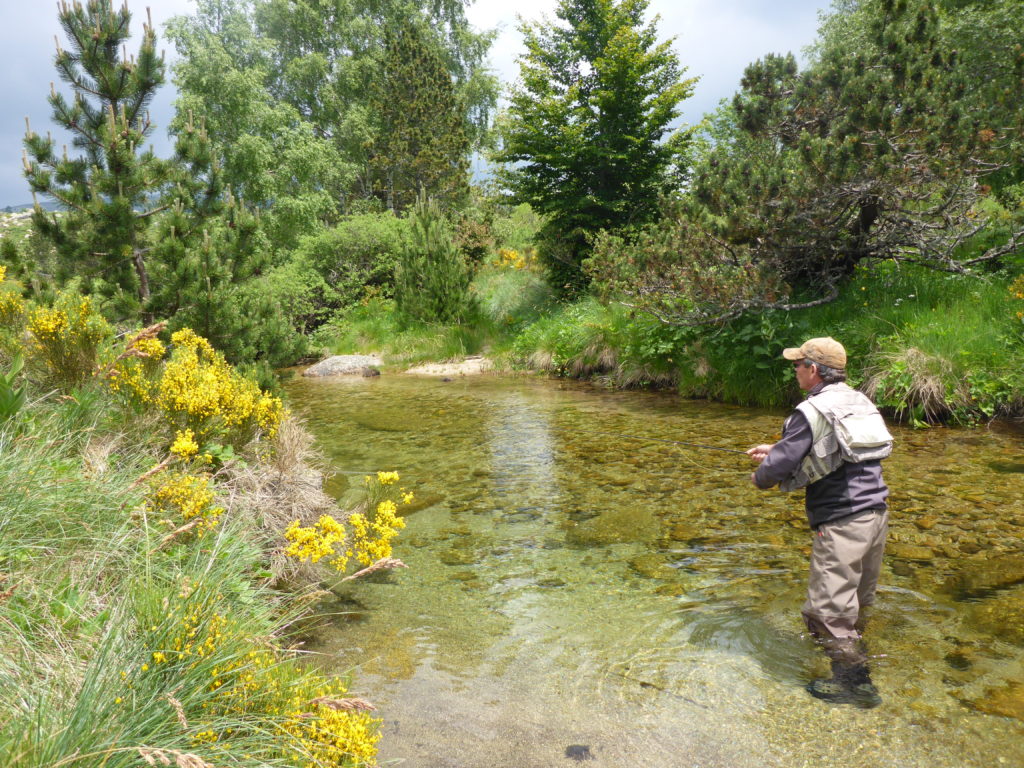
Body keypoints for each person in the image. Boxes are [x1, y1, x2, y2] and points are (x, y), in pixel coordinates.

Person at [747, 337, 892, 708]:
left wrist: (761, 474)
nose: (794, 369)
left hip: (842, 520)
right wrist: (777, 448)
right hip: (875, 515)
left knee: (825, 614)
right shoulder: (859, 401)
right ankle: (856, 660)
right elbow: (832, 448)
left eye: (798, 364)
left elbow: (777, 469)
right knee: (857, 603)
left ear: (813, 370)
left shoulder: (809, 410)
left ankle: (855, 686)